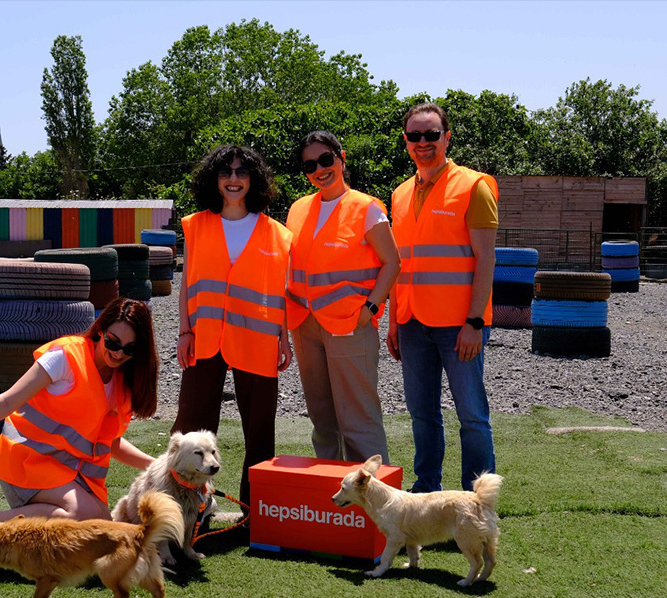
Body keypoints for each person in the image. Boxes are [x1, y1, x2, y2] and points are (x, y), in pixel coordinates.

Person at [0, 297, 160, 530]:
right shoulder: (65, 357)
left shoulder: (121, 383)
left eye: (129, 349)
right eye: (112, 342)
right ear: (100, 331)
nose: (118, 353)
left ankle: (9, 536)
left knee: (100, 528)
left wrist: (159, 466)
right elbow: (6, 401)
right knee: (85, 518)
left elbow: (110, 443)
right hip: (25, 465)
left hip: (68, 475)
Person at [173, 144, 292, 512]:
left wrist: (283, 337)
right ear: (215, 179)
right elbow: (188, 285)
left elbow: (281, 291)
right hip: (205, 341)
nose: (234, 179)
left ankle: (255, 513)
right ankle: (183, 508)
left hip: (257, 342)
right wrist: (184, 332)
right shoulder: (195, 225)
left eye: (242, 172)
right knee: (191, 428)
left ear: (253, 179)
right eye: (226, 172)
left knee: (259, 431)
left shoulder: (279, 233)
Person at [386, 102, 498, 493]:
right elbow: (399, 263)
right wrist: (394, 320)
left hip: (459, 326)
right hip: (412, 322)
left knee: (472, 416)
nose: (423, 142)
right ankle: (427, 492)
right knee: (422, 414)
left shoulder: (474, 186)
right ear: (406, 142)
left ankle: (476, 501)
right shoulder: (400, 194)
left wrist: (475, 322)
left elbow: (486, 259)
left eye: (431, 135)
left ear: (447, 138)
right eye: (415, 136)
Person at [285, 130, 400, 462]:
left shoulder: (366, 208)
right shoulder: (298, 209)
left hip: (351, 325)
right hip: (305, 325)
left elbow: (393, 262)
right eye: (310, 165)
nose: (320, 169)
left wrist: (371, 308)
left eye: (325, 159)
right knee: (322, 419)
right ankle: (332, 499)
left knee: (358, 420)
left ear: (341, 157)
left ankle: (377, 503)